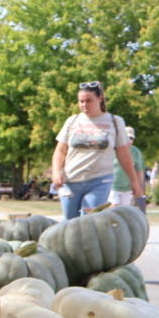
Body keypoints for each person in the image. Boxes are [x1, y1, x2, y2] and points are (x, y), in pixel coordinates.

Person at [51, 81, 142, 219]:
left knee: (90, 220)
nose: (84, 105)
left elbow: (124, 154)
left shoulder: (114, 122)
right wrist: (56, 172)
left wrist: (134, 182)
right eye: (81, 101)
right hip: (71, 180)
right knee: (69, 223)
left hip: (100, 180)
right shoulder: (73, 121)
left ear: (100, 99)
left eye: (89, 101)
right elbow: (60, 151)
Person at [109, 126, 144, 208]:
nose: (129, 140)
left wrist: (139, 186)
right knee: (114, 206)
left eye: (131, 138)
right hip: (112, 186)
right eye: (126, 137)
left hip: (128, 188)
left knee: (124, 210)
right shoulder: (112, 150)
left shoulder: (136, 152)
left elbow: (139, 171)